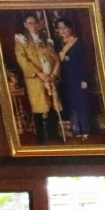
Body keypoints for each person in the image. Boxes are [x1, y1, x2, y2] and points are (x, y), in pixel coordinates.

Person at [13, 14, 60, 143]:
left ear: (39, 24)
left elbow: (55, 58)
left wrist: (53, 74)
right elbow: (22, 60)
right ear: (25, 25)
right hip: (35, 79)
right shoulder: (22, 41)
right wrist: (39, 73)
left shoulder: (46, 41)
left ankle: (53, 134)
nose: (33, 26)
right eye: (30, 23)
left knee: (52, 104)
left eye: (35, 23)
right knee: (38, 106)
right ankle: (39, 136)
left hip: (49, 76)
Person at [54, 18, 95, 139]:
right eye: (60, 28)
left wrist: (84, 79)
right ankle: (76, 130)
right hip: (65, 80)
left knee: (81, 103)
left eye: (65, 27)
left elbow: (84, 62)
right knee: (71, 104)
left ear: (70, 28)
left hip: (78, 79)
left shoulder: (78, 43)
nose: (63, 30)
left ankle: (85, 130)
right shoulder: (58, 44)